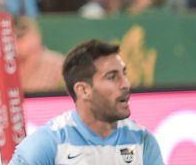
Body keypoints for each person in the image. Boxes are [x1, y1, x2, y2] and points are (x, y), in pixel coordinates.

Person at [10, 39, 164, 165]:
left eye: (124, 74)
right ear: (84, 90)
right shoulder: (48, 144)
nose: (126, 84)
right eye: (112, 77)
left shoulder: (142, 141)